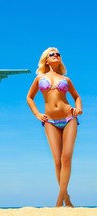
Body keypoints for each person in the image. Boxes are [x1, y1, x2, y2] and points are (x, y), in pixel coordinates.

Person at [26, 47, 82, 207]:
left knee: (66, 158)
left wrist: (78, 108)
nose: (56, 56)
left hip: (69, 118)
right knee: (57, 162)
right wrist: (37, 114)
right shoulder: (39, 78)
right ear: (46, 60)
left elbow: (76, 97)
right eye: (52, 54)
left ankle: (59, 201)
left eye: (58, 54)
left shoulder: (66, 79)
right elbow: (29, 98)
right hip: (50, 121)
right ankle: (67, 198)